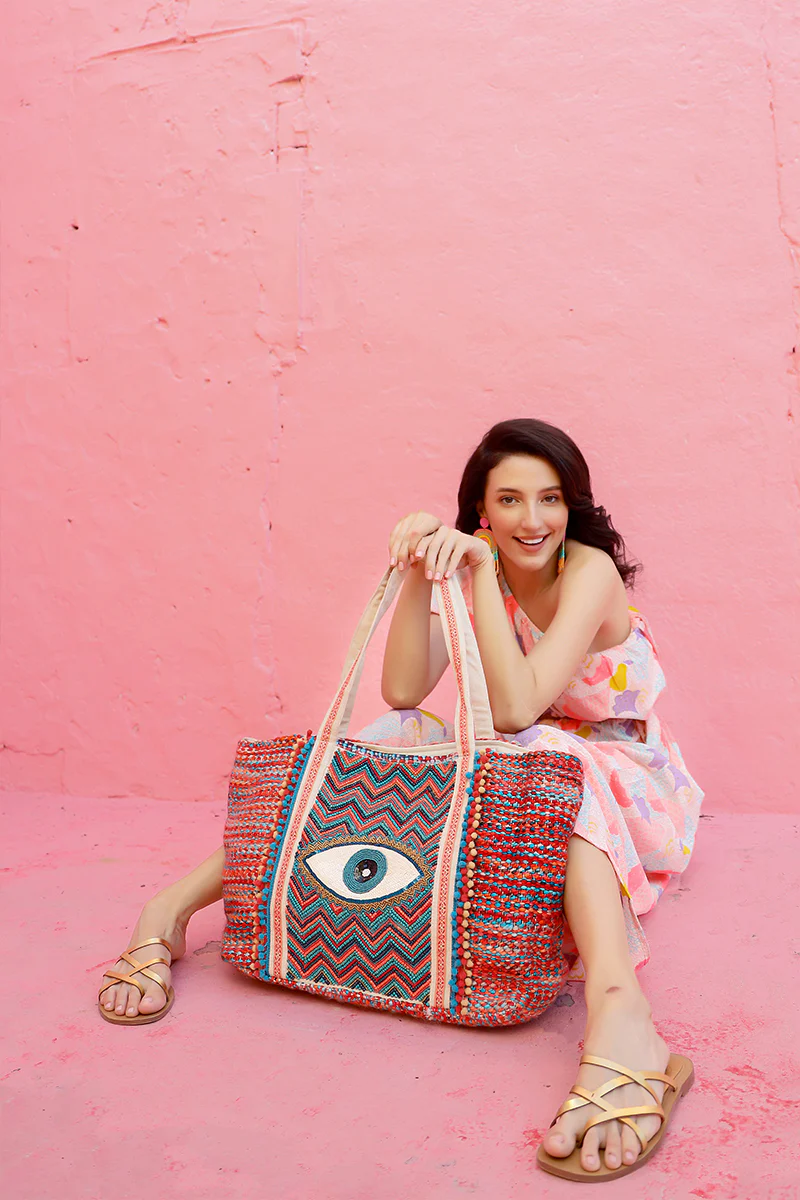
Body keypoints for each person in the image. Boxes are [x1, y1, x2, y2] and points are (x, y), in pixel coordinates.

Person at [98, 418, 702, 1182]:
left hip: (621, 773)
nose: (534, 520)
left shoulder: (589, 573)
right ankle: (172, 907)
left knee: (547, 749)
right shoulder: (484, 565)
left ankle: (623, 1010)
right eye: (509, 500)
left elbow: (517, 711)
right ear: (481, 507)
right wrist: (422, 569)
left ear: (572, 505)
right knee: (401, 730)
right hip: (519, 769)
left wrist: (477, 569)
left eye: (550, 499)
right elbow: (407, 690)